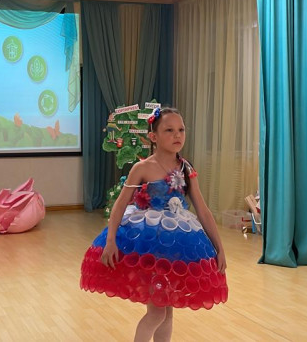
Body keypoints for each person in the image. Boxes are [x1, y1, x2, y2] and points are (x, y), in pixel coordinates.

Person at [80, 107, 227, 342]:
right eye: (169, 130)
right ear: (153, 136)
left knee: (167, 310)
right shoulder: (142, 168)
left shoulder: (186, 168)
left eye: (181, 130)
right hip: (149, 244)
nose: (177, 135)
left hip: (176, 243)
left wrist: (219, 248)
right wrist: (110, 241)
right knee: (157, 312)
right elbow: (120, 205)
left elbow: (203, 210)